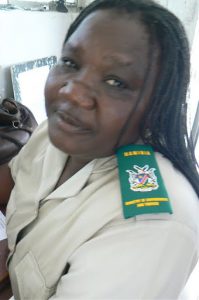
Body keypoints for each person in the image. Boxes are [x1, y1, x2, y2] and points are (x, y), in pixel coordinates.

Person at [0, 0, 199, 298]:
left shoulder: (150, 227)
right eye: (70, 63)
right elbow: (14, 183)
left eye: (115, 81)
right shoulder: (57, 136)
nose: (71, 92)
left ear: (157, 105)